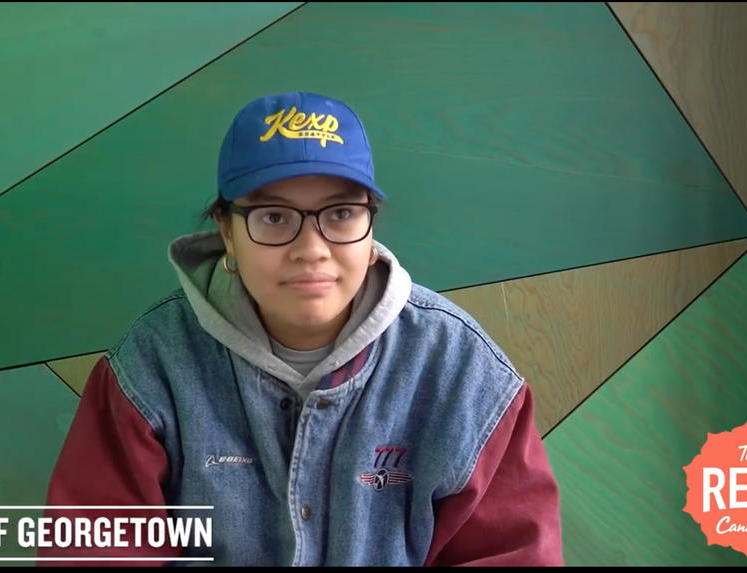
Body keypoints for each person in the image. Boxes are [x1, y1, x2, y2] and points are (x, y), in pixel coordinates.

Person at [38, 91, 564, 566]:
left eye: (339, 214)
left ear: (370, 222)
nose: (311, 249)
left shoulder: (463, 373)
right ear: (226, 231)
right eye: (273, 217)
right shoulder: (150, 369)